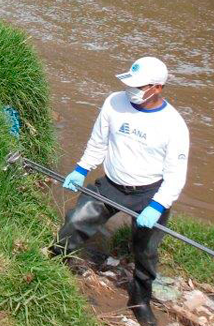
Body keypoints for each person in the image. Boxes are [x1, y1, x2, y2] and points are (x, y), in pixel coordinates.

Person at [52, 57, 189, 326]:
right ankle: (55, 261)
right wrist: (81, 169)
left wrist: (157, 206)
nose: (131, 90)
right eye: (129, 84)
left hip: (149, 193)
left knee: (146, 250)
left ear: (158, 88)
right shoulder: (114, 102)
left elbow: (175, 176)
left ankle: (140, 300)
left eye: (139, 87)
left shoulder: (174, 125)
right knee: (77, 221)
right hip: (112, 184)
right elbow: (98, 140)